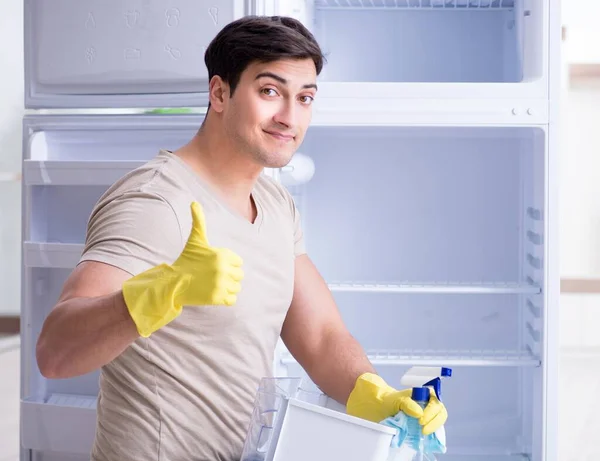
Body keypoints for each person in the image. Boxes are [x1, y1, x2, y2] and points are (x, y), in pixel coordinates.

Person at [35, 15, 447, 461]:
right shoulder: (157, 200)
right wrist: (160, 291)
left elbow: (323, 338)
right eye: (270, 91)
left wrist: (377, 395)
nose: (290, 116)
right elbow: (55, 353)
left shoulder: (274, 204)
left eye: (304, 98)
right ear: (219, 93)